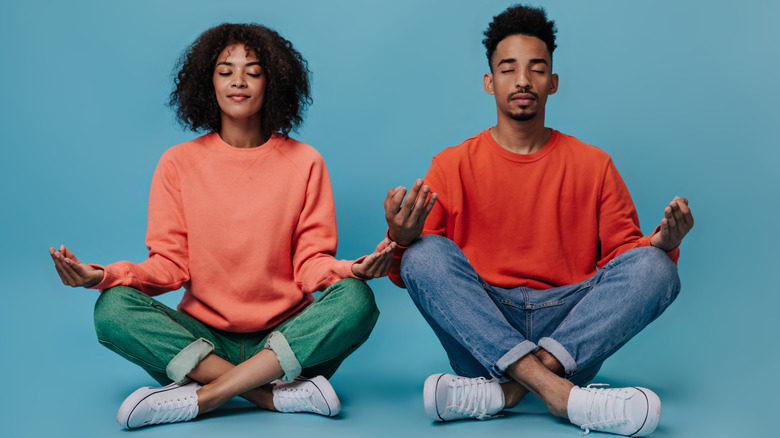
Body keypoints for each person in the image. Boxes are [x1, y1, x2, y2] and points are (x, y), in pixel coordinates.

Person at [49, 23, 395, 429]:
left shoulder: (305, 162)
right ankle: (269, 396)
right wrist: (102, 276)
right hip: (201, 345)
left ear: (274, 81)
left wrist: (351, 270)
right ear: (206, 82)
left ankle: (206, 396)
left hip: (284, 343)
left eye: (253, 70)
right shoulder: (177, 163)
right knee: (111, 307)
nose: (239, 81)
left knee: (357, 299)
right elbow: (169, 266)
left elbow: (310, 264)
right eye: (225, 70)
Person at [383, 5, 693, 436]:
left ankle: (509, 390)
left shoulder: (594, 164)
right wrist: (401, 237)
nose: (523, 80)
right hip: (482, 329)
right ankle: (561, 395)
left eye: (537, 69)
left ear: (553, 82)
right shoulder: (452, 165)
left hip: (570, 333)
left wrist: (661, 244)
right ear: (490, 82)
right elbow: (414, 272)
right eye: (509, 69)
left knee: (658, 268)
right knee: (424, 254)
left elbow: (625, 258)